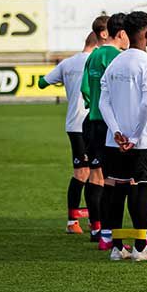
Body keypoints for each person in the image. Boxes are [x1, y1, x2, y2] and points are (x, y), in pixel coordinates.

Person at [98, 11, 147, 262]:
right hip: (143, 141)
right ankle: (140, 248)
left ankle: (117, 248)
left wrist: (116, 131)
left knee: (117, 191)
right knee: (143, 190)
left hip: (114, 141)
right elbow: (146, 103)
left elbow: (103, 102)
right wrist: (135, 137)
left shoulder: (115, 63)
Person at [39, 31, 98, 234]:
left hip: (75, 124)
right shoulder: (97, 60)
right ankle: (76, 221)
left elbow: (42, 83)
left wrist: (65, 79)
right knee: (86, 173)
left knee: (90, 172)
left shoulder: (68, 63)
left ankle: (89, 219)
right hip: (89, 123)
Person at [81, 13, 129, 250]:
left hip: (91, 121)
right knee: (114, 179)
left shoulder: (92, 56)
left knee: (95, 176)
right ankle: (110, 234)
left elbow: (85, 90)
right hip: (109, 124)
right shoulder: (116, 57)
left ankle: (97, 228)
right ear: (121, 33)